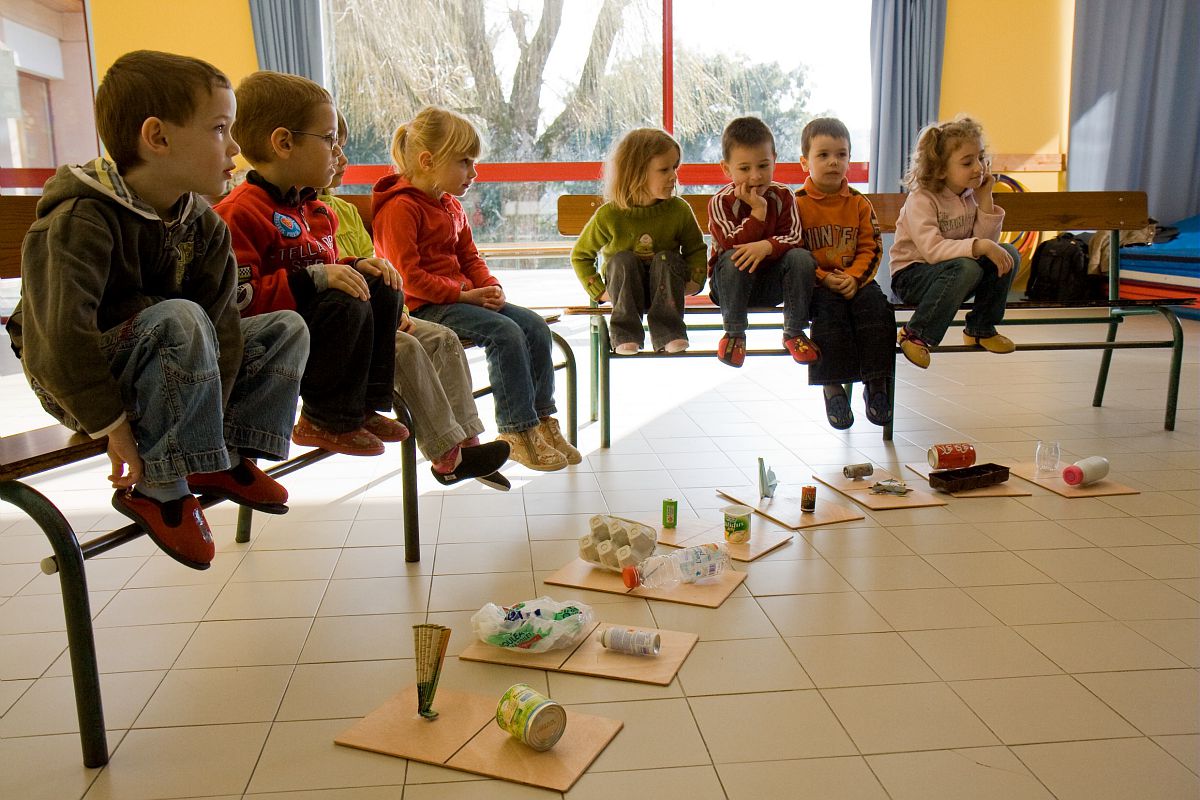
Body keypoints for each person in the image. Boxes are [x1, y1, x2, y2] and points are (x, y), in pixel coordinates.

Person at [5, 51, 310, 570]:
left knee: (284, 327)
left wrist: (212, 422)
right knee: (180, 318)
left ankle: (221, 455)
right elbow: (58, 341)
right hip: (78, 382)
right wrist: (113, 425)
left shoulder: (204, 223)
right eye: (220, 129)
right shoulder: (80, 218)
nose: (236, 148)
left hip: (171, 362)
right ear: (158, 137)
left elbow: (224, 331)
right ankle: (159, 488)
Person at [371, 106, 579, 472]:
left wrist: (490, 285)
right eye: (465, 162)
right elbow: (409, 278)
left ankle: (543, 421)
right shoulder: (400, 209)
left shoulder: (450, 205)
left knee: (534, 326)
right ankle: (517, 430)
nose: (474, 172)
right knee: (504, 333)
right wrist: (464, 295)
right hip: (423, 308)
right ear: (428, 161)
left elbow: (469, 256)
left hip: (458, 299)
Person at [215, 71, 407, 458]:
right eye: (329, 139)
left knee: (381, 287)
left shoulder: (316, 209)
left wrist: (357, 265)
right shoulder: (240, 212)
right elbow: (240, 299)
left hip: (319, 326)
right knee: (345, 302)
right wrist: (315, 278)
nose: (338, 153)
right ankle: (322, 418)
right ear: (284, 142)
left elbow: (327, 265)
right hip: (273, 340)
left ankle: (362, 407)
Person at [317, 113, 510, 488]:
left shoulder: (342, 211)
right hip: (347, 324)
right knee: (406, 349)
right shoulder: (317, 215)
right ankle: (446, 455)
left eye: (341, 145)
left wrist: (397, 309)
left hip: (382, 311)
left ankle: (467, 441)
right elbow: (350, 276)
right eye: (331, 145)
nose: (342, 157)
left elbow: (380, 272)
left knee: (442, 339)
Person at [889, 115, 1019, 368]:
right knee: (968, 265)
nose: (978, 167)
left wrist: (984, 199)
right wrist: (980, 246)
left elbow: (987, 246)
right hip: (912, 276)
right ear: (940, 170)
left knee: (1008, 254)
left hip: (956, 274)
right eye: (967, 162)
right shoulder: (922, 200)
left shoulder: (971, 195)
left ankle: (980, 329)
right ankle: (914, 334)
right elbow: (933, 250)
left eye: (980, 158)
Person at [794, 117, 896, 429]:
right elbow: (794, 250)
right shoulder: (796, 204)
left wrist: (853, 277)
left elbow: (872, 246)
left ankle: (877, 384)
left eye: (841, 154)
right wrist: (824, 277)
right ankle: (832, 387)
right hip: (817, 284)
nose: (833, 162)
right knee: (829, 314)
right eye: (823, 155)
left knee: (877, 309)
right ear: (804, 162)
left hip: (856, 281)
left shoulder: (859, 203)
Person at [570, 128, 706, 354]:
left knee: (665, 258)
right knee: (622, 259)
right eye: (664, 170)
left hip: (666, 290)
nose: (673, 176)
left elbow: (696, 248)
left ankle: (670, 332)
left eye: (675, 167)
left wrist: (695, 281)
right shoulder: (610, 215)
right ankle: (625, 334)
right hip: (625, 293)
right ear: (636, 174)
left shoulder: (679, 210)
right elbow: (581, 255)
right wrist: (601, 292)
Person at [708, 116, 818, 368]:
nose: (756, 176)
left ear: (774, 160)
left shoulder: (783, 196)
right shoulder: (720, 202)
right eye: (744, 169)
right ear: (727, 169)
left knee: (801, 257)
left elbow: (794, 237)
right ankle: (734, 334)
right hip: (729, 289)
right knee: (732, 258)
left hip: (772, 285)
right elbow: (730, 244)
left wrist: (766, 246)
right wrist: (758, 213)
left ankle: (794, 332)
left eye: (763, 165)